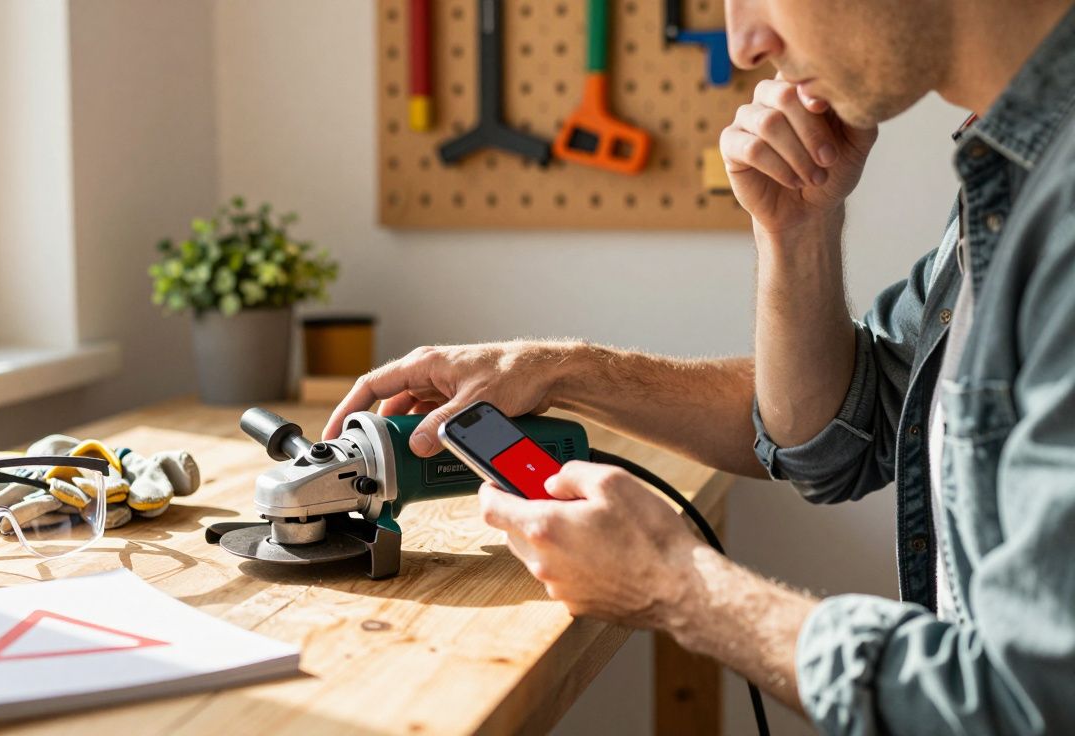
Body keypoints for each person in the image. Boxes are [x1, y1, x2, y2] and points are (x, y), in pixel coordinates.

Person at [324, 0, 1075, 731]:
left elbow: (1023, 705)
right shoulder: (1013, 168)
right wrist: (796, 227)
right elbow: (845, 435)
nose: (744, 43)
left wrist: (678, 587)